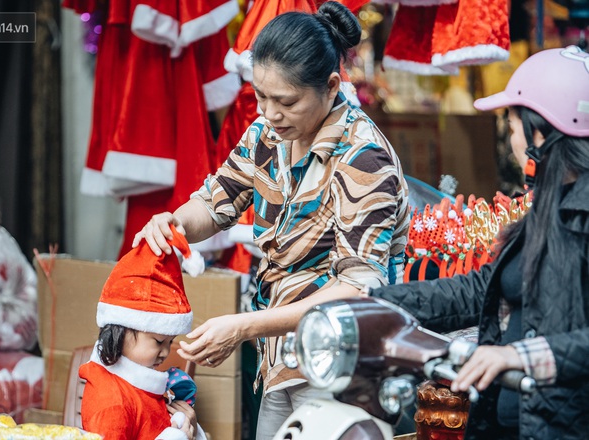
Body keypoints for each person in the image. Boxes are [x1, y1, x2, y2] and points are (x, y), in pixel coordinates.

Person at [132, 2, 410, 438]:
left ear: (331, 86)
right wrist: (173, 223)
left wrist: (243, 326)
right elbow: (216, 201)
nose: (270, 113)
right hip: (282, 355)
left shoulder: (364, 158)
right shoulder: (266, 135)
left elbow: (357, 288)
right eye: (261, 96)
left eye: (286, 101)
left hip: (345, 366)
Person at [368, 46, 589, 440]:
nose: (510, 138)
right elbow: (479, 289)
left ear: (540, 132)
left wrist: (516, 355)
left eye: (512, 124)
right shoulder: (547, 207)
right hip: (513, 423)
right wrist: (378, 301)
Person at [79, 226, 207, 440]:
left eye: (170, 341)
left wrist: (190, 429)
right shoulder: (111, 402)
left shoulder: (142, 383)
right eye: (158, 341)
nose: (166, 352)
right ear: (122, 331)